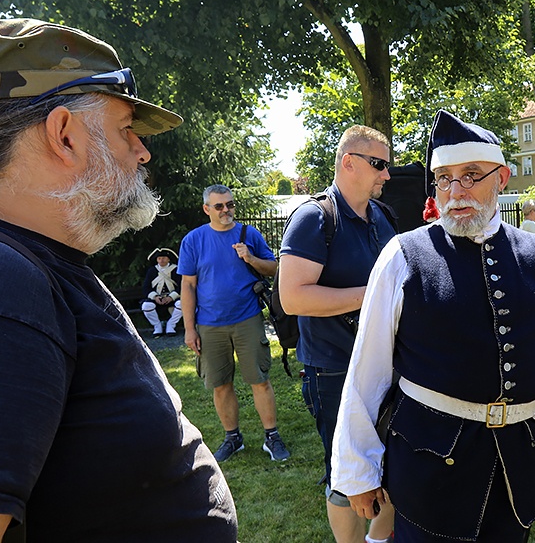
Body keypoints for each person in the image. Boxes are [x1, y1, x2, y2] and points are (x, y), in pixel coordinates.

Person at [0, 19, 237, 542]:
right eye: (127, 128)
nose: (143, 151)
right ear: (64, 135)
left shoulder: (35, 267)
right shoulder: (3, 282)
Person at [331, 109, 535, 542]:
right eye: (444, 178)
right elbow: (368, 369)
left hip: (515, 465)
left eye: (472, 174)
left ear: (503, 177)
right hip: (429, 468)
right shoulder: (404, 256)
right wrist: (359, 469)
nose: (456, 191)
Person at [278, 125, 397, 543]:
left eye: (388, 165)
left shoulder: (383, 218)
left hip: (387, 365)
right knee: (347, 474)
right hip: (334, 370)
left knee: (393, 466)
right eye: (379, 164)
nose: (386, 174)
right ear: (349, 163)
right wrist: (372, 295)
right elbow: (292, 297)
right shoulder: (313, 218)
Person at [178, 184, 290, 463]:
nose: (226, 210)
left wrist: (250, 258)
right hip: (209, 324)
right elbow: (188, 286)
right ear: (207, 209)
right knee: (220, 384)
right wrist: (190, 329)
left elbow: (275, 268)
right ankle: (233, 438)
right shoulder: (193, 240)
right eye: (219, 206)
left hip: (247, 319)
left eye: (230, 204)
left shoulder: (248, 234)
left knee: (260, 380)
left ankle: (272, 437)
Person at [141, 247, 183, 336]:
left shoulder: (176, 270)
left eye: (164, 258)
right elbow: (146, 287)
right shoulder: (152, 271)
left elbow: (182, 286)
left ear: (168, 259)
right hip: (157, 298)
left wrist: (171, 297)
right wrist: (155, 297)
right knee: (146, 306)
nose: (161, 260)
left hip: (173, 298)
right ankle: (157, 326)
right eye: (159, 258)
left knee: (181, 304)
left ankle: (171, 325)